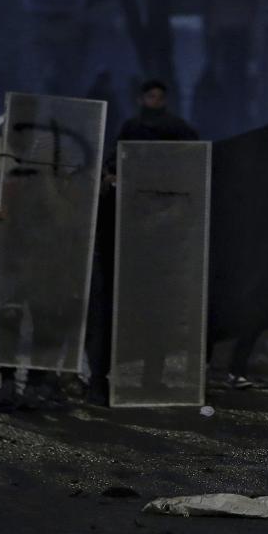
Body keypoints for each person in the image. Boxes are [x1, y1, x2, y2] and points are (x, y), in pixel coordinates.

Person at [85, 79, 198, 405]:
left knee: (156, 312)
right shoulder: (132, 127)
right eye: (151, 95)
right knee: (107, 312)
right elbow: (114, 165)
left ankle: (152, 377)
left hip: (158, 239)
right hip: (123, 237)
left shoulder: (178, 129)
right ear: (141, 98)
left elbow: (189, 170)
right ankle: (100, 379)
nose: (155, 101)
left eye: (160, 96)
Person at [208, 124, 268, 389]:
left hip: (263, 258)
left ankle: (236, 371)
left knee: (256, 315)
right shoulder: (240, 174)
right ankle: (218, 370)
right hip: (238, 259)